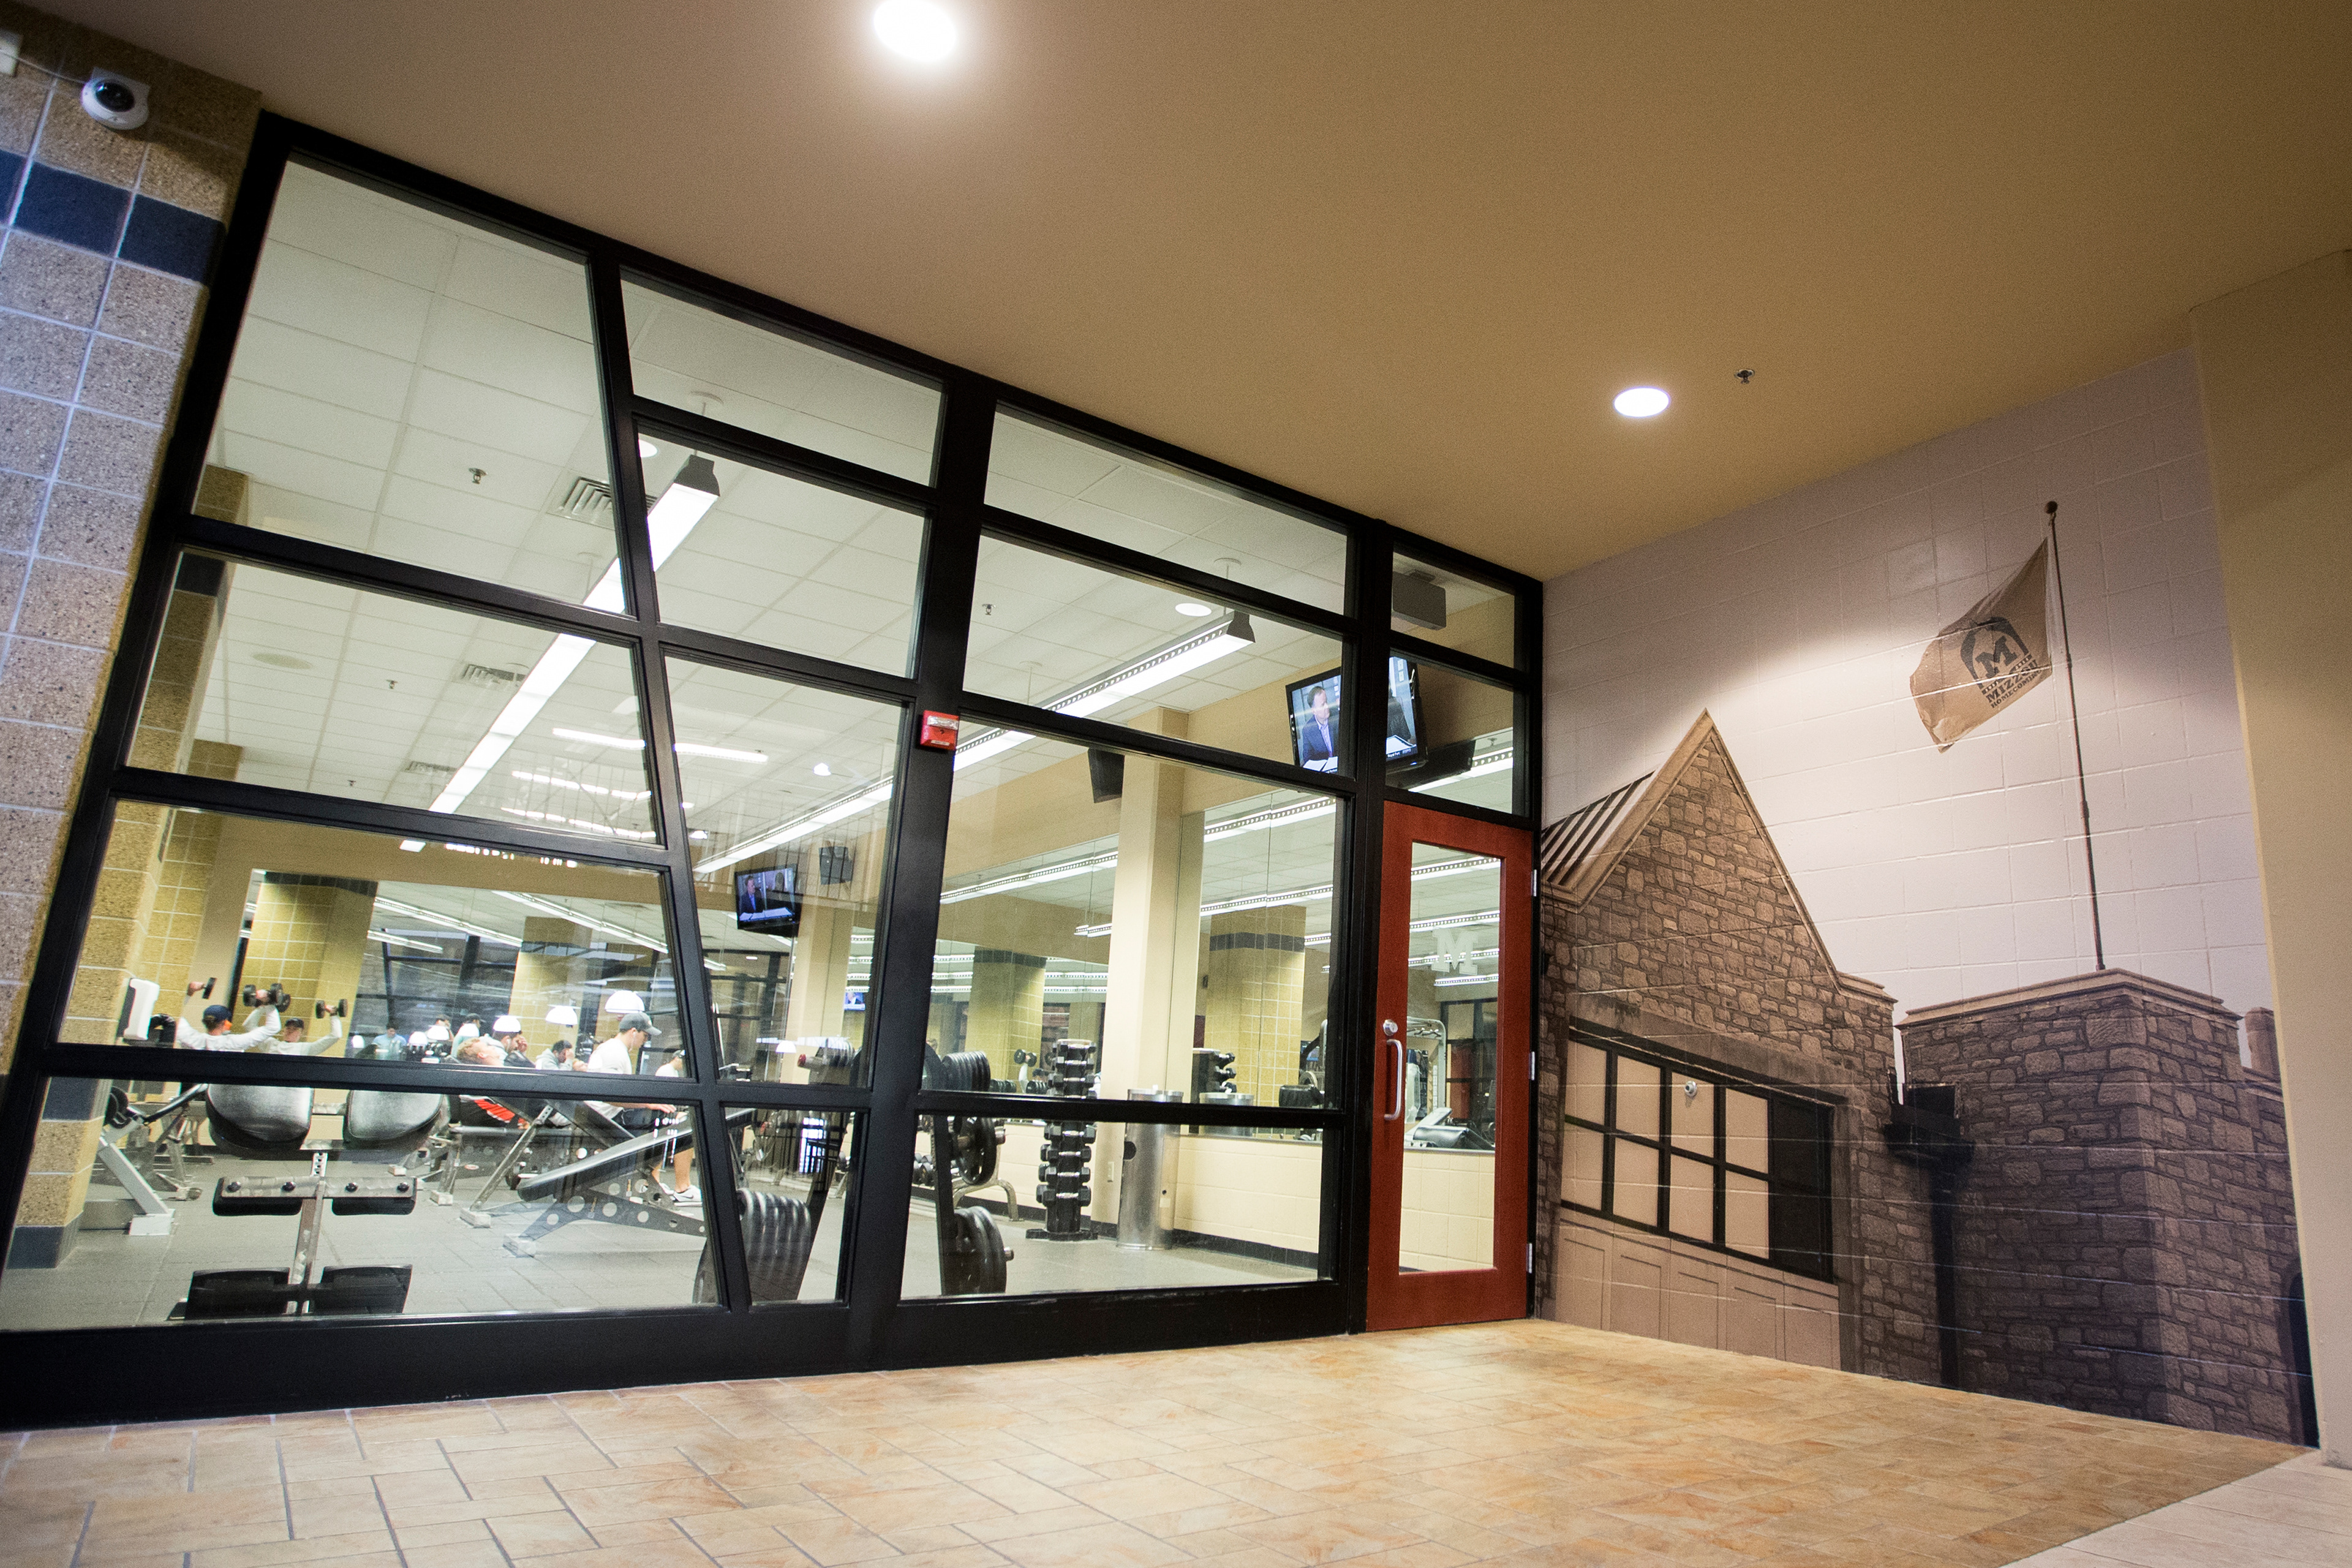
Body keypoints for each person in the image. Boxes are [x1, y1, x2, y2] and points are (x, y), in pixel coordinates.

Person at [130, 1001, 286, 1052]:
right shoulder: (234, 1043)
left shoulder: (192, 1038)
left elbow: (176, 1014)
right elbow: (272, 1028)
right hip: (218, 1095)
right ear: (225, 1023)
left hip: (189, 1090)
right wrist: (269, 1003)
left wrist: (189, 993)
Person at [1297, 684, 1338, 769]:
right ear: (1314, 711)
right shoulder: (1307, 730)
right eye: (1322, 705)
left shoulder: (1338, 716)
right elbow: (1308, 759)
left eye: (1326, 702)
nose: (1327, 706)